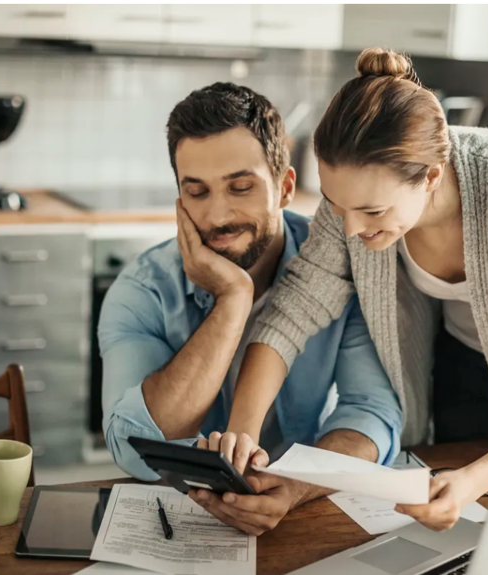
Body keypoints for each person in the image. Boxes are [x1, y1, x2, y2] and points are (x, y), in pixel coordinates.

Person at [215, 48, 488, 531]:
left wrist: (471, 480)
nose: (350, 229)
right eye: (335, 203)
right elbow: (293, 311)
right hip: (462, 359)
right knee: (470, 534)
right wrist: (241, 436)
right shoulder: (352, 204)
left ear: (431, 176)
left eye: (372, 212)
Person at [98, 82, 403, 536]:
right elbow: (133, 447)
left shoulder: (342, 269)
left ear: (284, 188)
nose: (219, 215)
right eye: (197, 192)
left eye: (240, 187)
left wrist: (297, 485)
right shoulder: (143, 290)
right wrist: (232, 300)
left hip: (305, 510)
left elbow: (371, 414)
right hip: (187, 523)